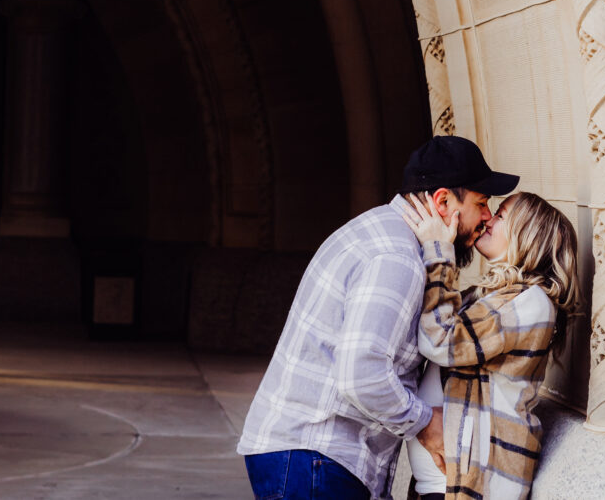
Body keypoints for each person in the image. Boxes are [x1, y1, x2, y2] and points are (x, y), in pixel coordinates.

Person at [238, 136, 519, 500]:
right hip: (315, 460)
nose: (486, 216)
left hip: (309, 459)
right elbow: (360, 374)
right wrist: (426, 424)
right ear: (443, 200)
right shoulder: (396, 257)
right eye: (481, 203)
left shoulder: (383, 232)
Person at [401, 191, 581, 500]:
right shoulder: (486, 297)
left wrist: (439, 250)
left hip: (474, 489)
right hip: (442, 485)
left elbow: (440, 341)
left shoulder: (530, 302)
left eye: (501, 215)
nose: (487, 219)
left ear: (529, 235)